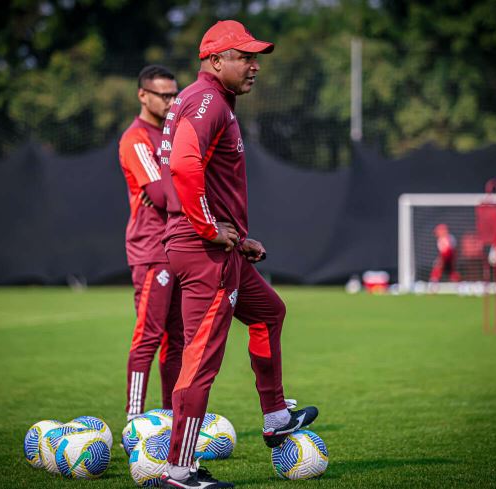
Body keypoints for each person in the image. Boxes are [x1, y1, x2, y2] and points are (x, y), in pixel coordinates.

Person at [157, 21, 318, 488]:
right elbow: (183, 166)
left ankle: (274, 416)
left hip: (215, 247)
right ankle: (179, 471)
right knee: (200, 360)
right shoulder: (207, 101)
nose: (254, 66)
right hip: (202, 250)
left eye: (256, 58)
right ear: (214, 61)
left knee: (270, 312)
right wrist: (211, 229)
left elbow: (195, 172)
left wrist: (236, 237)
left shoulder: (208, 100)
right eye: (244, 57)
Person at [117, 65, 184, 421]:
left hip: (178, 248)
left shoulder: (172, 135)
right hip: (151, 251)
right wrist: (176, 187)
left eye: (175, 94)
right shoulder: (136, 138)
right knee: (149, 335)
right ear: (143, 95)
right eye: (164, 95)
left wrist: (173, 187)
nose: (172, 101)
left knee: (178, 340)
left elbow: (171, 188)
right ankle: (134, 420)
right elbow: (159, 196)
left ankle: (171, 417)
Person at [429, 223, 461, 288]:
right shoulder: (440, 240)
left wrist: (441, 261)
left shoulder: (449, 238)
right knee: (449, 272)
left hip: (449, 258)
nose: (437, 233)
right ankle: (458, 285)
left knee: (438, 270)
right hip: (446, 258)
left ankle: (433, 286)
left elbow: (449, 252)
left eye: (438, 231)